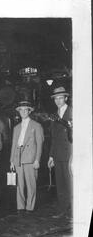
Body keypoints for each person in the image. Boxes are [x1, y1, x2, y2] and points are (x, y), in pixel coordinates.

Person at [10, 100, 44, 214]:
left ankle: (30, 207)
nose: (23, 112)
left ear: (29, 111)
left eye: (26, 110)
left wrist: (37, 159)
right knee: (19, 184)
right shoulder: (16, 127)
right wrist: (11, 160)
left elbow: (40, 144)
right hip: (18, 157)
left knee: (31, 184)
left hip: (30, 158)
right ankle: (20, 206)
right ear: (18, 112)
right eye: (21, 110)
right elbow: (14, 145)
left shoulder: (36, 125)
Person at [47, 86, 73, 218]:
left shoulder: (72, 112)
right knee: (61, 184)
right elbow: (54, 138)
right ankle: (63, 210)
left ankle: (74, 211)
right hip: (57, 154)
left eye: (60, 97)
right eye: (56, 98)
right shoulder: (54, 115)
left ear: (66, 98)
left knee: (70, 184)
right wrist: (51, 155)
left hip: (69, 154)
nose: (58, 100)